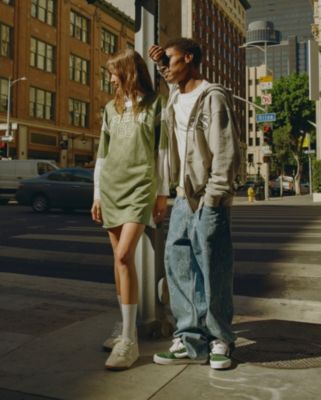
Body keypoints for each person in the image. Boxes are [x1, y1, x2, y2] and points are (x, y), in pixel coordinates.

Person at [149, 38, 241, 370]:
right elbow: (169, 75)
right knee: (179, 266)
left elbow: (225, 150)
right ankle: (189, 338)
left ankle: (220, 339)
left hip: (207, 196)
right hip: (182, 195)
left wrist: (214, 197)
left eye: (171, 60)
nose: (166, 68)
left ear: (189, 59)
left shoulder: (213, 97)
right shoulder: (176, 95)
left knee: (212, 267)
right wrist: (161, 60)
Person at [91, 48, 168, 370]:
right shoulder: (111, 108)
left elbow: (162, 151)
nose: (110, 79)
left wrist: (162, 192)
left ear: (129, 72)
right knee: (118, 261)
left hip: (140, 188)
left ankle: (129, 342)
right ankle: (123, 327)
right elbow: (102, 155)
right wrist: (96, 193)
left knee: (125, 256)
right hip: (111, 187)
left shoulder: (156, 104)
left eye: (114, 72)